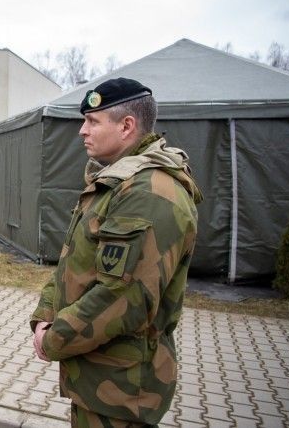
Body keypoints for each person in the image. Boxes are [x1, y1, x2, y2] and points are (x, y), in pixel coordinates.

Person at [30, 77, 203, 427]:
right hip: (98, 377)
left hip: (123, 389)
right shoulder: (116, 182)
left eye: (93, 121)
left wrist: (55, 338)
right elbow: (73, 261)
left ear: (127, 126)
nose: (82, 131)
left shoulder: (150, 192)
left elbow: (123, 297)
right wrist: (44, 315)